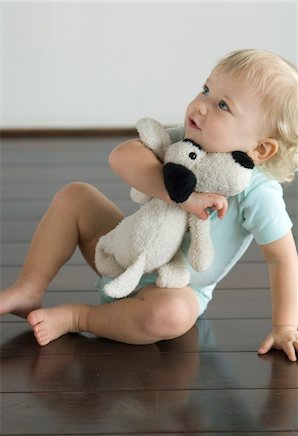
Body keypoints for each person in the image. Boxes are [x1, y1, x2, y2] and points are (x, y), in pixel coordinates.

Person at [1, 49, 297, 361]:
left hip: (172, 288)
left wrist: (285, 326)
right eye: (206, 90)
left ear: (261, 148)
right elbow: (122, 155)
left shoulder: (259, 192)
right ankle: (29, 288)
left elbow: (282, 260)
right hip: (121, 253)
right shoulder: (185, 141)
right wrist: (181, 196)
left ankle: (80, 317)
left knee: (172, 315)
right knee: (76, 195)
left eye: (223, 105)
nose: (201, 105)